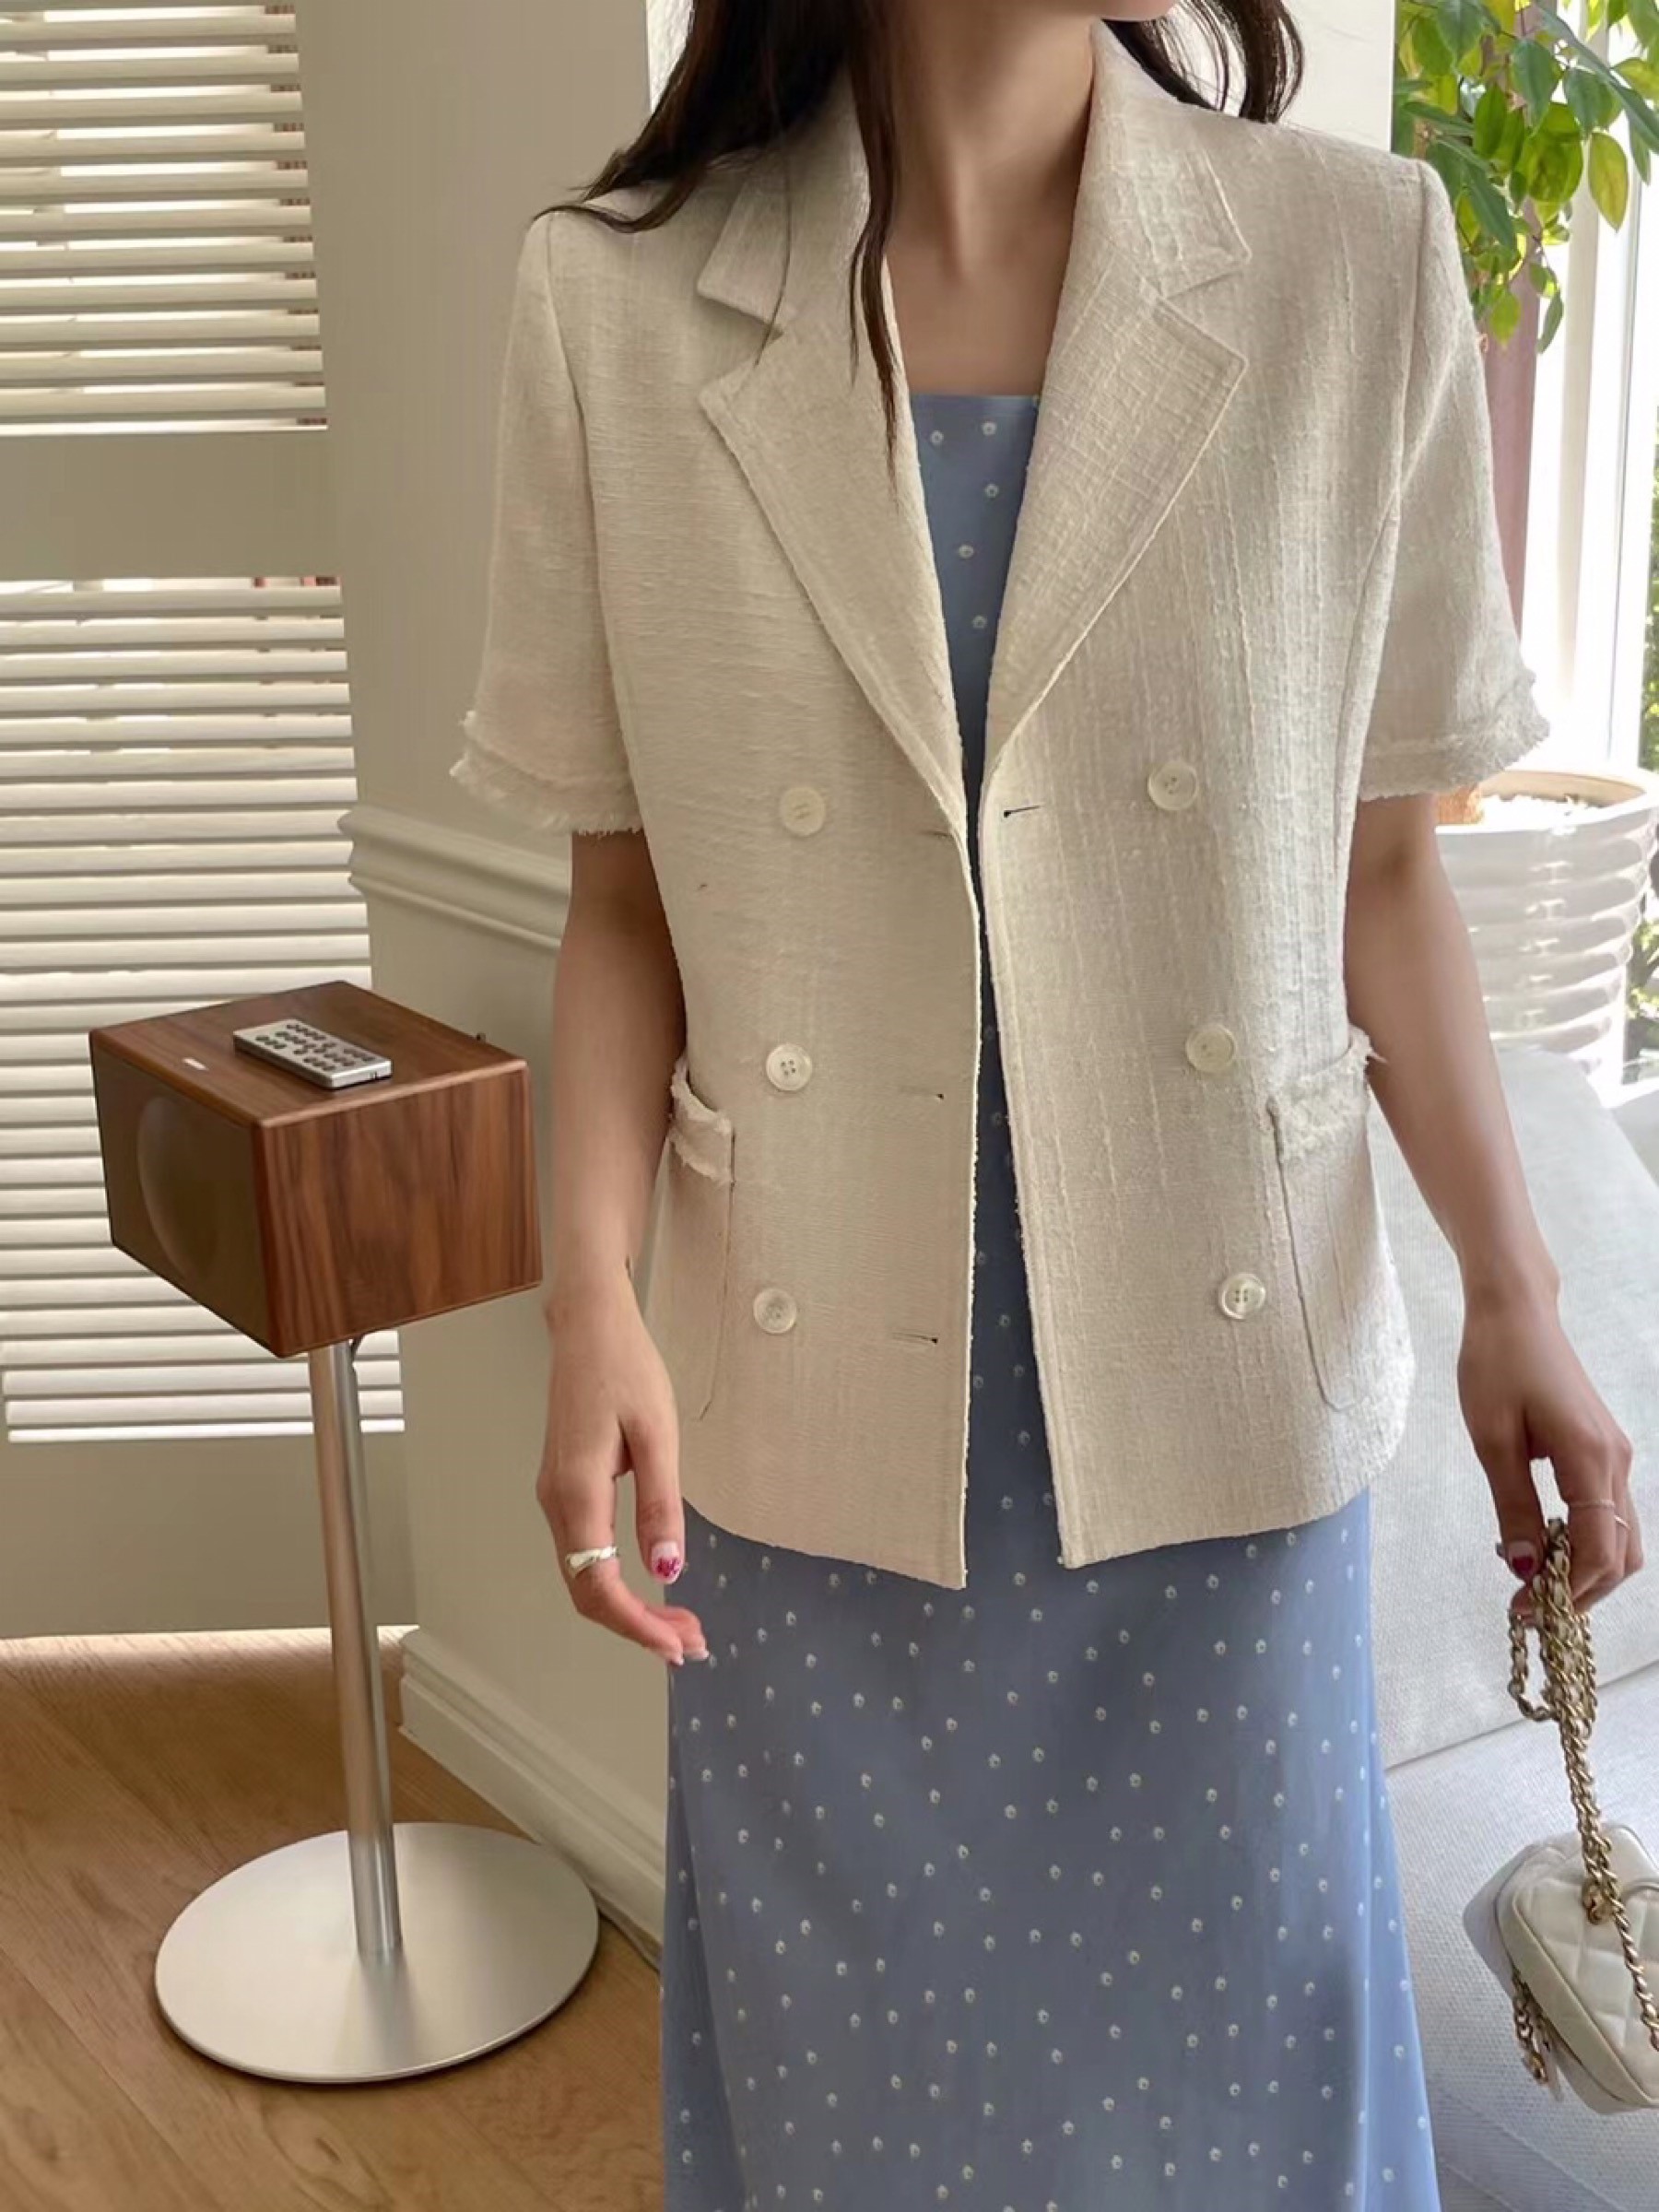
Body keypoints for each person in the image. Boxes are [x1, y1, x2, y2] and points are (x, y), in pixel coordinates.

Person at [453, 4, 1644, 2204]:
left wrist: (1518, 1294)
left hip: (1217, 1405)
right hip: (812, 1413)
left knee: (1247, 2110)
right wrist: (588, 1299)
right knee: (862, 2114)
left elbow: (1383, 873)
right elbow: (624, 901)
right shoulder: (614, 301)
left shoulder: (1354, 260)